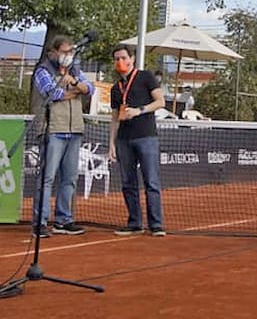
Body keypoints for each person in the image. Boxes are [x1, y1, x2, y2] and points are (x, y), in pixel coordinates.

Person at [29, 34, 94, 237]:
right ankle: (40, 222)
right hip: (53, 129)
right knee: (47, 178)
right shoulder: (43, 70)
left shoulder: (74, 70)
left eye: (71, 52)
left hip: (74, 130)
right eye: (65, 52)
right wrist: (76, 91)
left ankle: (63, 220)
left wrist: (73, 83)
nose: (68, 55)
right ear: (53, 52)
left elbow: (90, 88)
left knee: (70, 178)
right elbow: (52, 94)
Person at [108, 45, 166, 236]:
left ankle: (156, 224)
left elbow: (160, 101)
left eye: (123, 57)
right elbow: (115, 117)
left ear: (132, 58)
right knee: (128, 183)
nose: (120, 62)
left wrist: (140, 110)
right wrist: (112, 143)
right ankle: (135, 222)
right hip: (124, 140)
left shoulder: (145, 77)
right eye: (116, 59)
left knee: (151, 181)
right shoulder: (116, 88)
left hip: (146, 136)